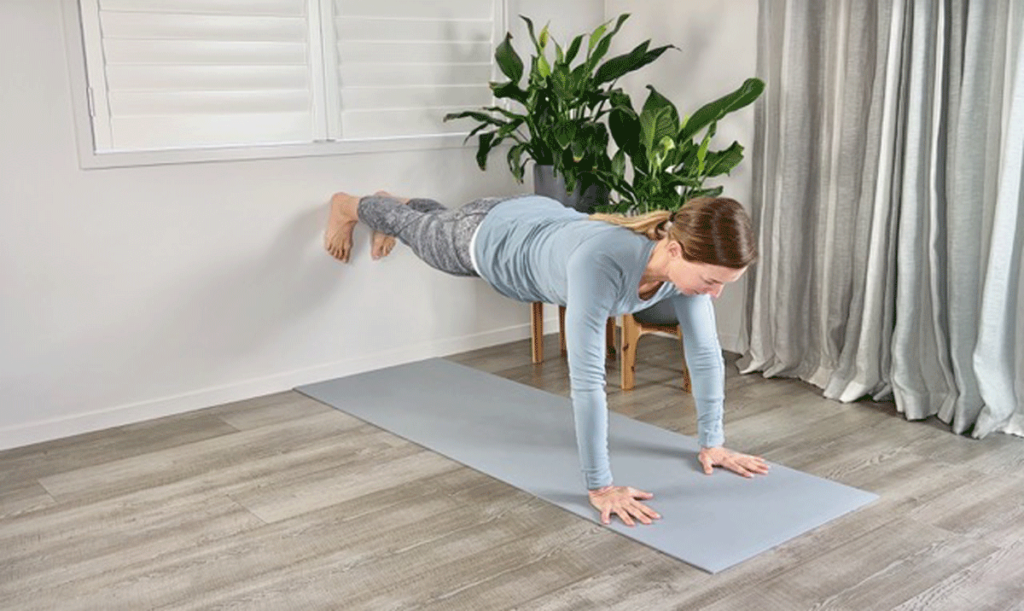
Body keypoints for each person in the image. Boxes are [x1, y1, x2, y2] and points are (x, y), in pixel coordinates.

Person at [324, 190, 770, 527]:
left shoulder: (684, 273)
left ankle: (394, 206)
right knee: (427, 239)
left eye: (725, 284)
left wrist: (713, 442)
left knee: (432, 223)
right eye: (712, 280)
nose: (716, 293)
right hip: (487, 239)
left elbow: (706, 354)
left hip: (532, 218)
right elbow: (588, 382)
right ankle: (352, 205)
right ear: (675, 250)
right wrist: (600, 486)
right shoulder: (602, 264)